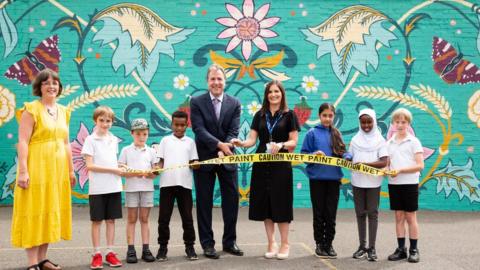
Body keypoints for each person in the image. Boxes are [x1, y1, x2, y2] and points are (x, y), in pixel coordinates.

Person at [11, 68, 76, 270]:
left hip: (57, 170)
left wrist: (71, 170)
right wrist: (23, 171)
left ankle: (42, 258)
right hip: (37, 167)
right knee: (35, 209)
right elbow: (22, 141)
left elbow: (66, 143)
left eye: (55, 83)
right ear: (39, 87)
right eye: (46, 83)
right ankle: (32, 263)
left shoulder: (64, 111)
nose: (51, 86)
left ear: (59, 87)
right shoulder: (31, 109)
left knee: (49, 210)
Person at [231, 80, 300, 260]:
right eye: (270, 92)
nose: (273, 94)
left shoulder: (289, 115)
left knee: (281, 203)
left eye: (277, 91)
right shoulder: (259, 115)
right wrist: (241, 143)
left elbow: (293, 142)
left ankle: (285, 243)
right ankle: (271, 242)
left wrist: (281, 144)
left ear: (282, 94)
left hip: (281, 165)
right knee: (266, 204)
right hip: (261, 165)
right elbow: (252, 140)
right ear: (266, 95)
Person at [190, 64, 243, 259]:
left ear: (225, 81)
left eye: (219, 79)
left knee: (231, 202)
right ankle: (207, 244)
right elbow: (198, 129)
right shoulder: (196, 102)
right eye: (212, 79)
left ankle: (230, 242)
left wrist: (225, 148)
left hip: (228, 158)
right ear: (207, 82)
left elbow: (234, 130)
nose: (216, 82)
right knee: (204, 203)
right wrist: (219, 146)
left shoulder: (235, 103)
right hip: (205, 159)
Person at [300, 103, 351, 259]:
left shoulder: (336, 134)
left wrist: (347, 156)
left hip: (333, 180)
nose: (327, 118)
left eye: (330, 116)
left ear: (333, 117)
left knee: (331, 214)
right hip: (317, 180)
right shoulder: (311, 133)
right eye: (324, 115)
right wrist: (314, 154)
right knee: (319, 213)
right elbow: (303, 155)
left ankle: (329, 244)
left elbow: (343, 152)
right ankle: (319, 244)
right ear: (319, 115)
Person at [81, 106, 124, 269]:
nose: (105, 124)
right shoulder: (90, 140)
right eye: (102, 120)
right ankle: (97, 253)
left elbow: (111, 160)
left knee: (111, 220)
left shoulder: (113, 139)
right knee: (97, 221)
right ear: (95, 121)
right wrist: (114, 169)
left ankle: (110, 252)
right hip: (98, 188)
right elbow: (90, 166)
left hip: (114, 186)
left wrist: (121, 166)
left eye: (108, 121)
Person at [155, 111, 199, 261]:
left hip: (185, 185)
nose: (179, 128)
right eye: (176, 124)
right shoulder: (165, 141)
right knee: (163, 219)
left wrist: (196, 165)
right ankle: (162, 248)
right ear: (171, 124)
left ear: (187, 125)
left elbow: (194, 163)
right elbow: (160, 161)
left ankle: (190, 247)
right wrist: (157, 167)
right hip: (166, 185)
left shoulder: (190, 142)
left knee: (187, 218)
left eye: (182, 125)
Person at [349, 109, 388, 262]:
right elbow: (349, 157)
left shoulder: (380, 140)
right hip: (357, 181)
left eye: (369, 122)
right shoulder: (354, 140)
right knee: (360, 213)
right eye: (363, 122)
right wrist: (346, 156)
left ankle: (372, 248)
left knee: (372, 213)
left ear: (374, 121)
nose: (366, 125)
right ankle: (362, 246)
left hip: (373, 182)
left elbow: (384, 162)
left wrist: (365, 164)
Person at [386, 108, 424, 263]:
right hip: (394, 184)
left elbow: (420, 165)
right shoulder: (389, 143)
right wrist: (385, 171)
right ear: (393, 123)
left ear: (408, 124)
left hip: (409, 184)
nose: (400, 124)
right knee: (398, 216)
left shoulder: (414, 141)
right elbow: (387, 165)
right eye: (397, 122)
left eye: (403, 122)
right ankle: (401, 249)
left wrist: (401, 170)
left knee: (410, 216)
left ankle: (414, 249)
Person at [118, 118, 157, 264]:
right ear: (132, 133)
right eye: (138, 134)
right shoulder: (126, 150)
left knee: (145, 219)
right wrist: (135, 173)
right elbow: (121, 170)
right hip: (131, 189)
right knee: (132, 219)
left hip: (147, 189)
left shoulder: (152, 151)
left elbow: (154, 174)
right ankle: (131, 249)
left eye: (145, 134)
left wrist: (151, 173)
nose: (142, 137)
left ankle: (146, 249)